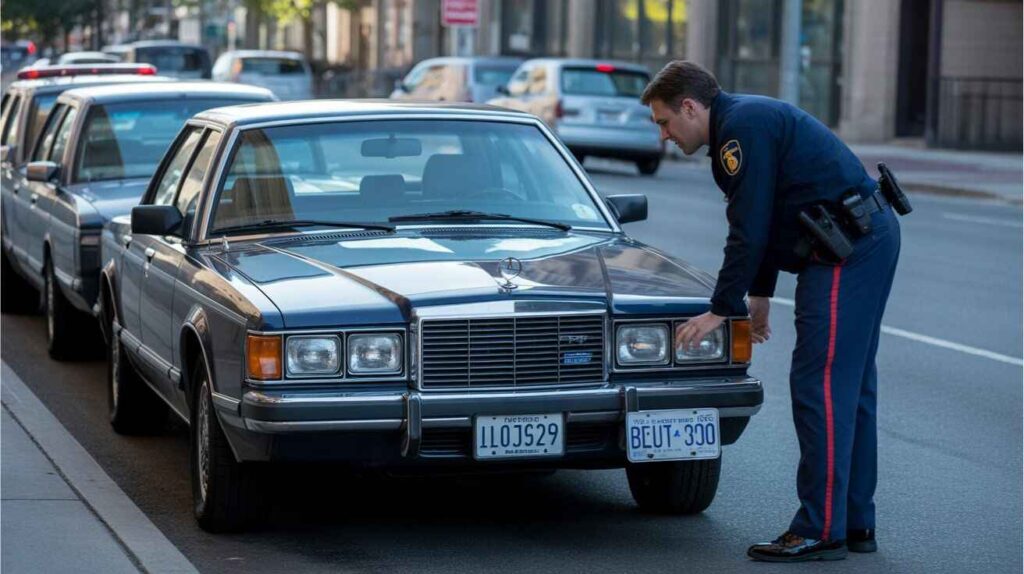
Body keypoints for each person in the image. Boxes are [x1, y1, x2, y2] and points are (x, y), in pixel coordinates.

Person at [641, 61, 901, 562]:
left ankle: (820, 529)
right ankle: (852, 522)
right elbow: (767, 212)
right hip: (863, 237)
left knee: (818, 383)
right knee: (850, 386)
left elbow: (749, 228)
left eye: (665, 122)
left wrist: (723, 308)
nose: (664, 136)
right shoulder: (743, 123)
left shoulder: (739, 132)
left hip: (847, 250)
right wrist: (759, 295)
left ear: (690, 107)